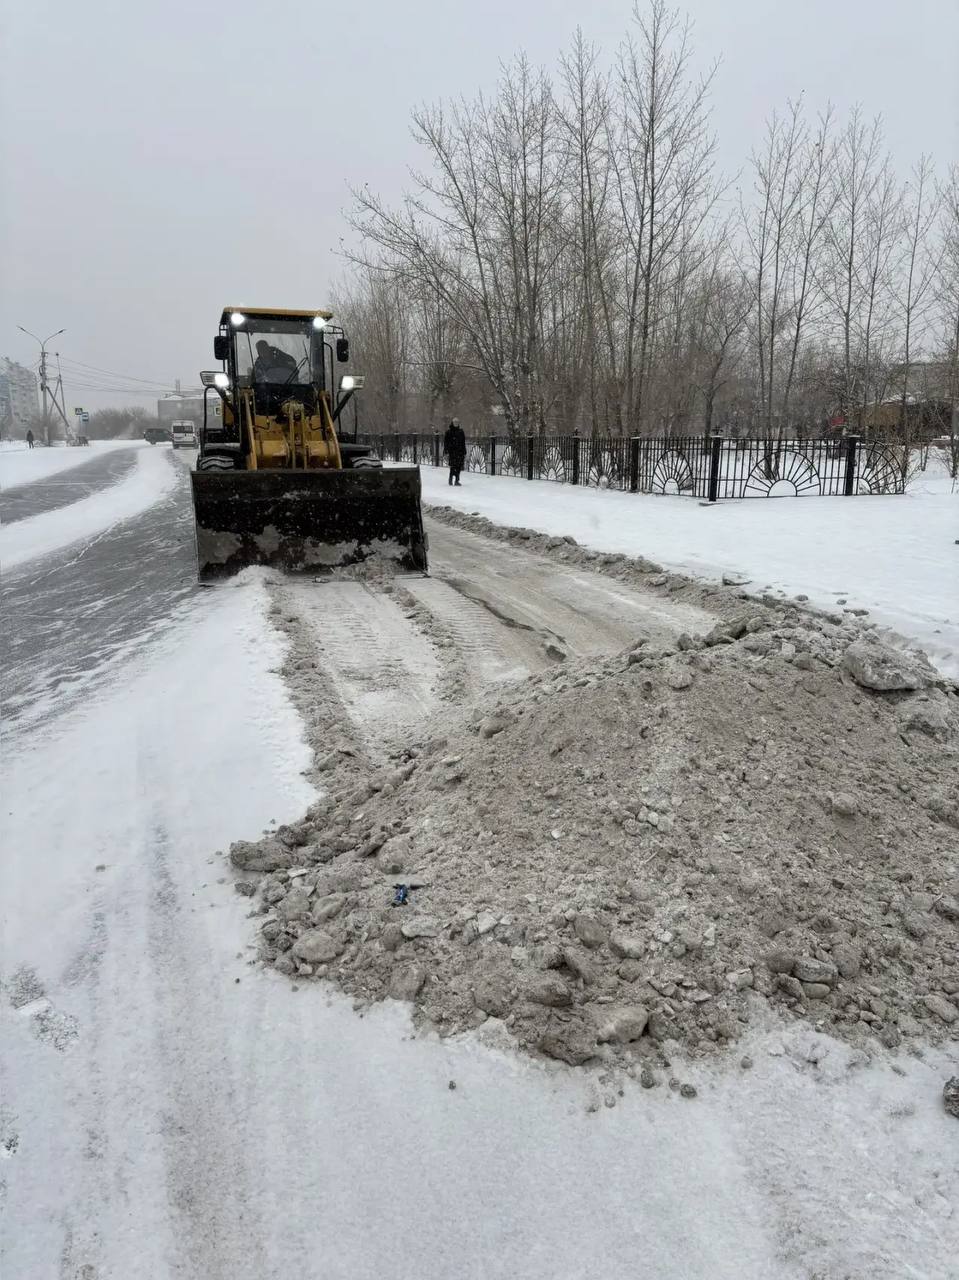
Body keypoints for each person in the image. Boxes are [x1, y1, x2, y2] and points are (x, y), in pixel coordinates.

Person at [444, 417, 466, 486]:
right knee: (453, 466)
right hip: (452, 452)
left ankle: (457, 480)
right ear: (452, 423)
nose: (456, 424)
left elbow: (463, 442)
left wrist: (464, 451)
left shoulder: (461, 432)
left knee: (458, 467)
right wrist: (446, 450)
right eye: (455, 422)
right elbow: (446, 442)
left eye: (457, 422)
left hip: (459, 452)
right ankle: (450, 479)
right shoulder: (449, 432)